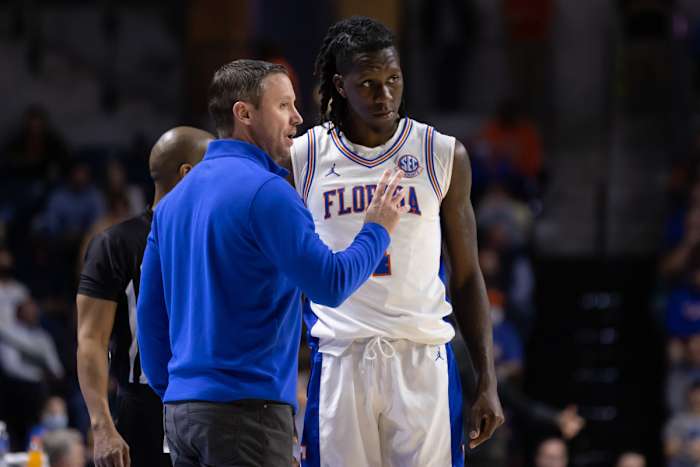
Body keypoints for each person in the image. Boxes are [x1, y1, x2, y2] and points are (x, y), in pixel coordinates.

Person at [136, 59, 408, 467]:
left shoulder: (172, 203)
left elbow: (150, 318)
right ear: (244, 113)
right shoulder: (268, 192)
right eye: (284, 105)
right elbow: (330, 283)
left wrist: (179, 391)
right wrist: (377, 229)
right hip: (247, 414)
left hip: (182, 415)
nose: (298, 118)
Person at [288, 16, 503, 467]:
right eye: (367, 83)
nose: (384, 94)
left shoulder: (441, 153)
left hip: (421, 357)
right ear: (340, 85)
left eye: (393, 80)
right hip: (341, 358)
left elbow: (466, 276)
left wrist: (487, 380)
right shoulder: (304, 156)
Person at [76, 126, 213, 467]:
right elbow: (90, 339)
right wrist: (102, 427)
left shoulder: (218, 237)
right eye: (214, 168)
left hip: (214, 404)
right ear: (188, 173)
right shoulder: (116, 244)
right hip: (144, 407)